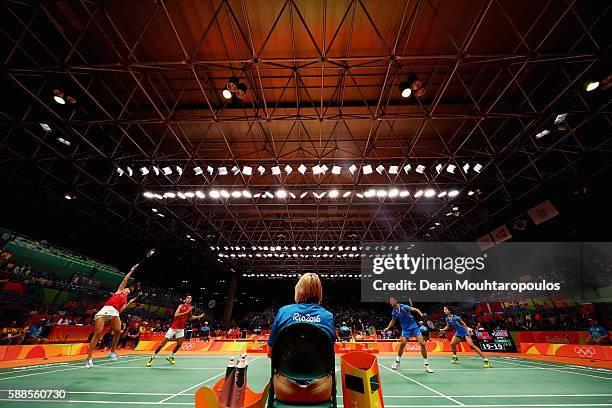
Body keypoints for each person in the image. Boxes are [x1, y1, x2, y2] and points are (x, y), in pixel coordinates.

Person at [267, 273, 335, 404]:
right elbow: (328, 358)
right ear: (319, 292)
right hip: (320, 391)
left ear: (298, 289)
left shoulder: (283, 313)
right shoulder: (328, 317)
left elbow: (270, 353)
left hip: (285, 390)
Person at [85, 263, 139, 368]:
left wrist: (129, 303)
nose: (128, 289)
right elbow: (126, 279)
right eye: (127, 288)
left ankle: (112, 352)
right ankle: (89, 359)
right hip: (106, 309)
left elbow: (121, 310)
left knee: (118, 331)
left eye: (129, 290)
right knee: (98, 332)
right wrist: (132, 270)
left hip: (114, 312)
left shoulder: (125, 299)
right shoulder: (119, 291)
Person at [146, 294, 204, 366]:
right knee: (162, 344)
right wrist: (186, 312)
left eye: (190, 298)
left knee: (179, 344)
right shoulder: (181, 306)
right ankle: (152, 358)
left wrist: (198, 316)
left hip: (181, 329)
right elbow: (175, 315)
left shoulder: (189, 308)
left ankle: (171, 357)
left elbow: (190, 318)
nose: (189, 299)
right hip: (173, 328)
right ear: (185, 300)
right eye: (188, 298)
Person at [383, 296, 433, 372]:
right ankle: (397, 361)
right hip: (405, 329)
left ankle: (427, 365)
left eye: (391, 300)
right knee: (402, 343)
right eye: (390, 300)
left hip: (414, 327)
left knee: (422, 343)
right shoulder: (394, 311)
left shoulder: (404, 307)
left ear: (396, 300)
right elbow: (393, 321)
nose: (390, 302)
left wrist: (421, 314)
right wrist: (387, 328)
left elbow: (416, 309)